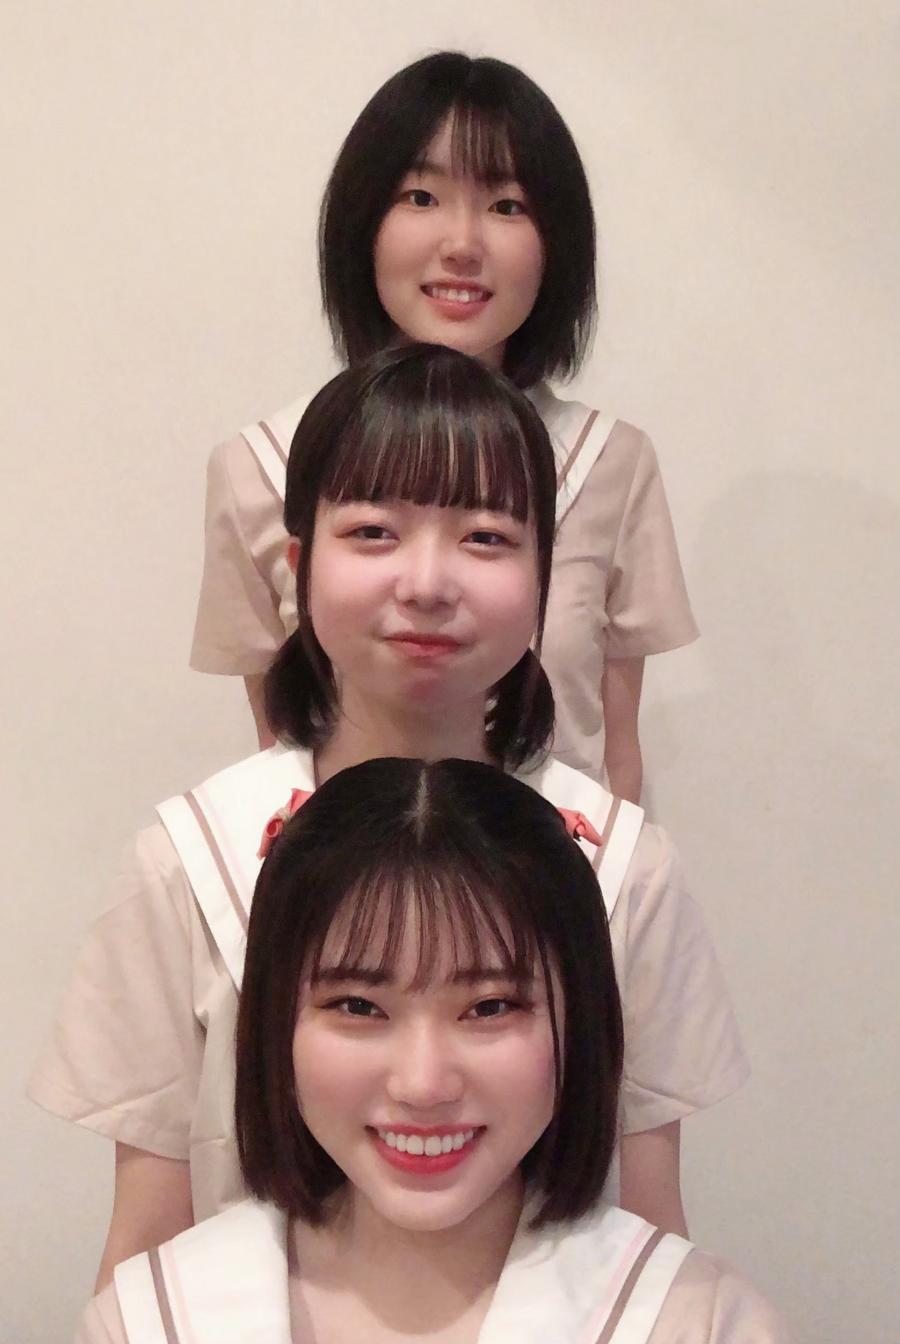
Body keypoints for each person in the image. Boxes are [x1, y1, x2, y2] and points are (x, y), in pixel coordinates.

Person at [30, 346, 745, 1287]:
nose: (427, 583)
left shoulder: (623, 866)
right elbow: (144, 1242)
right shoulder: (189, 862)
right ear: (298, 566)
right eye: (373, 532)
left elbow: (650, 1222)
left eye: (485, 536)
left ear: (544, 577)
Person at [75, 759, 786, 1343]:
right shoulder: (147, 1322)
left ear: (582, 1020)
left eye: (490, 1007)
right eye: (358, 1007)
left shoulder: (701, 1324)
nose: (422, 1083)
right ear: (273, 1024)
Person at [190, 50, 698, 801]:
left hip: (553, 868)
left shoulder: (609, 463)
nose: (462, 244)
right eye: (421, 196)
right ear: (363, 223)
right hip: (349, 870)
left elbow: (615, 754)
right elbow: (280, 762)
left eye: (507, 205)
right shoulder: (262, 467)